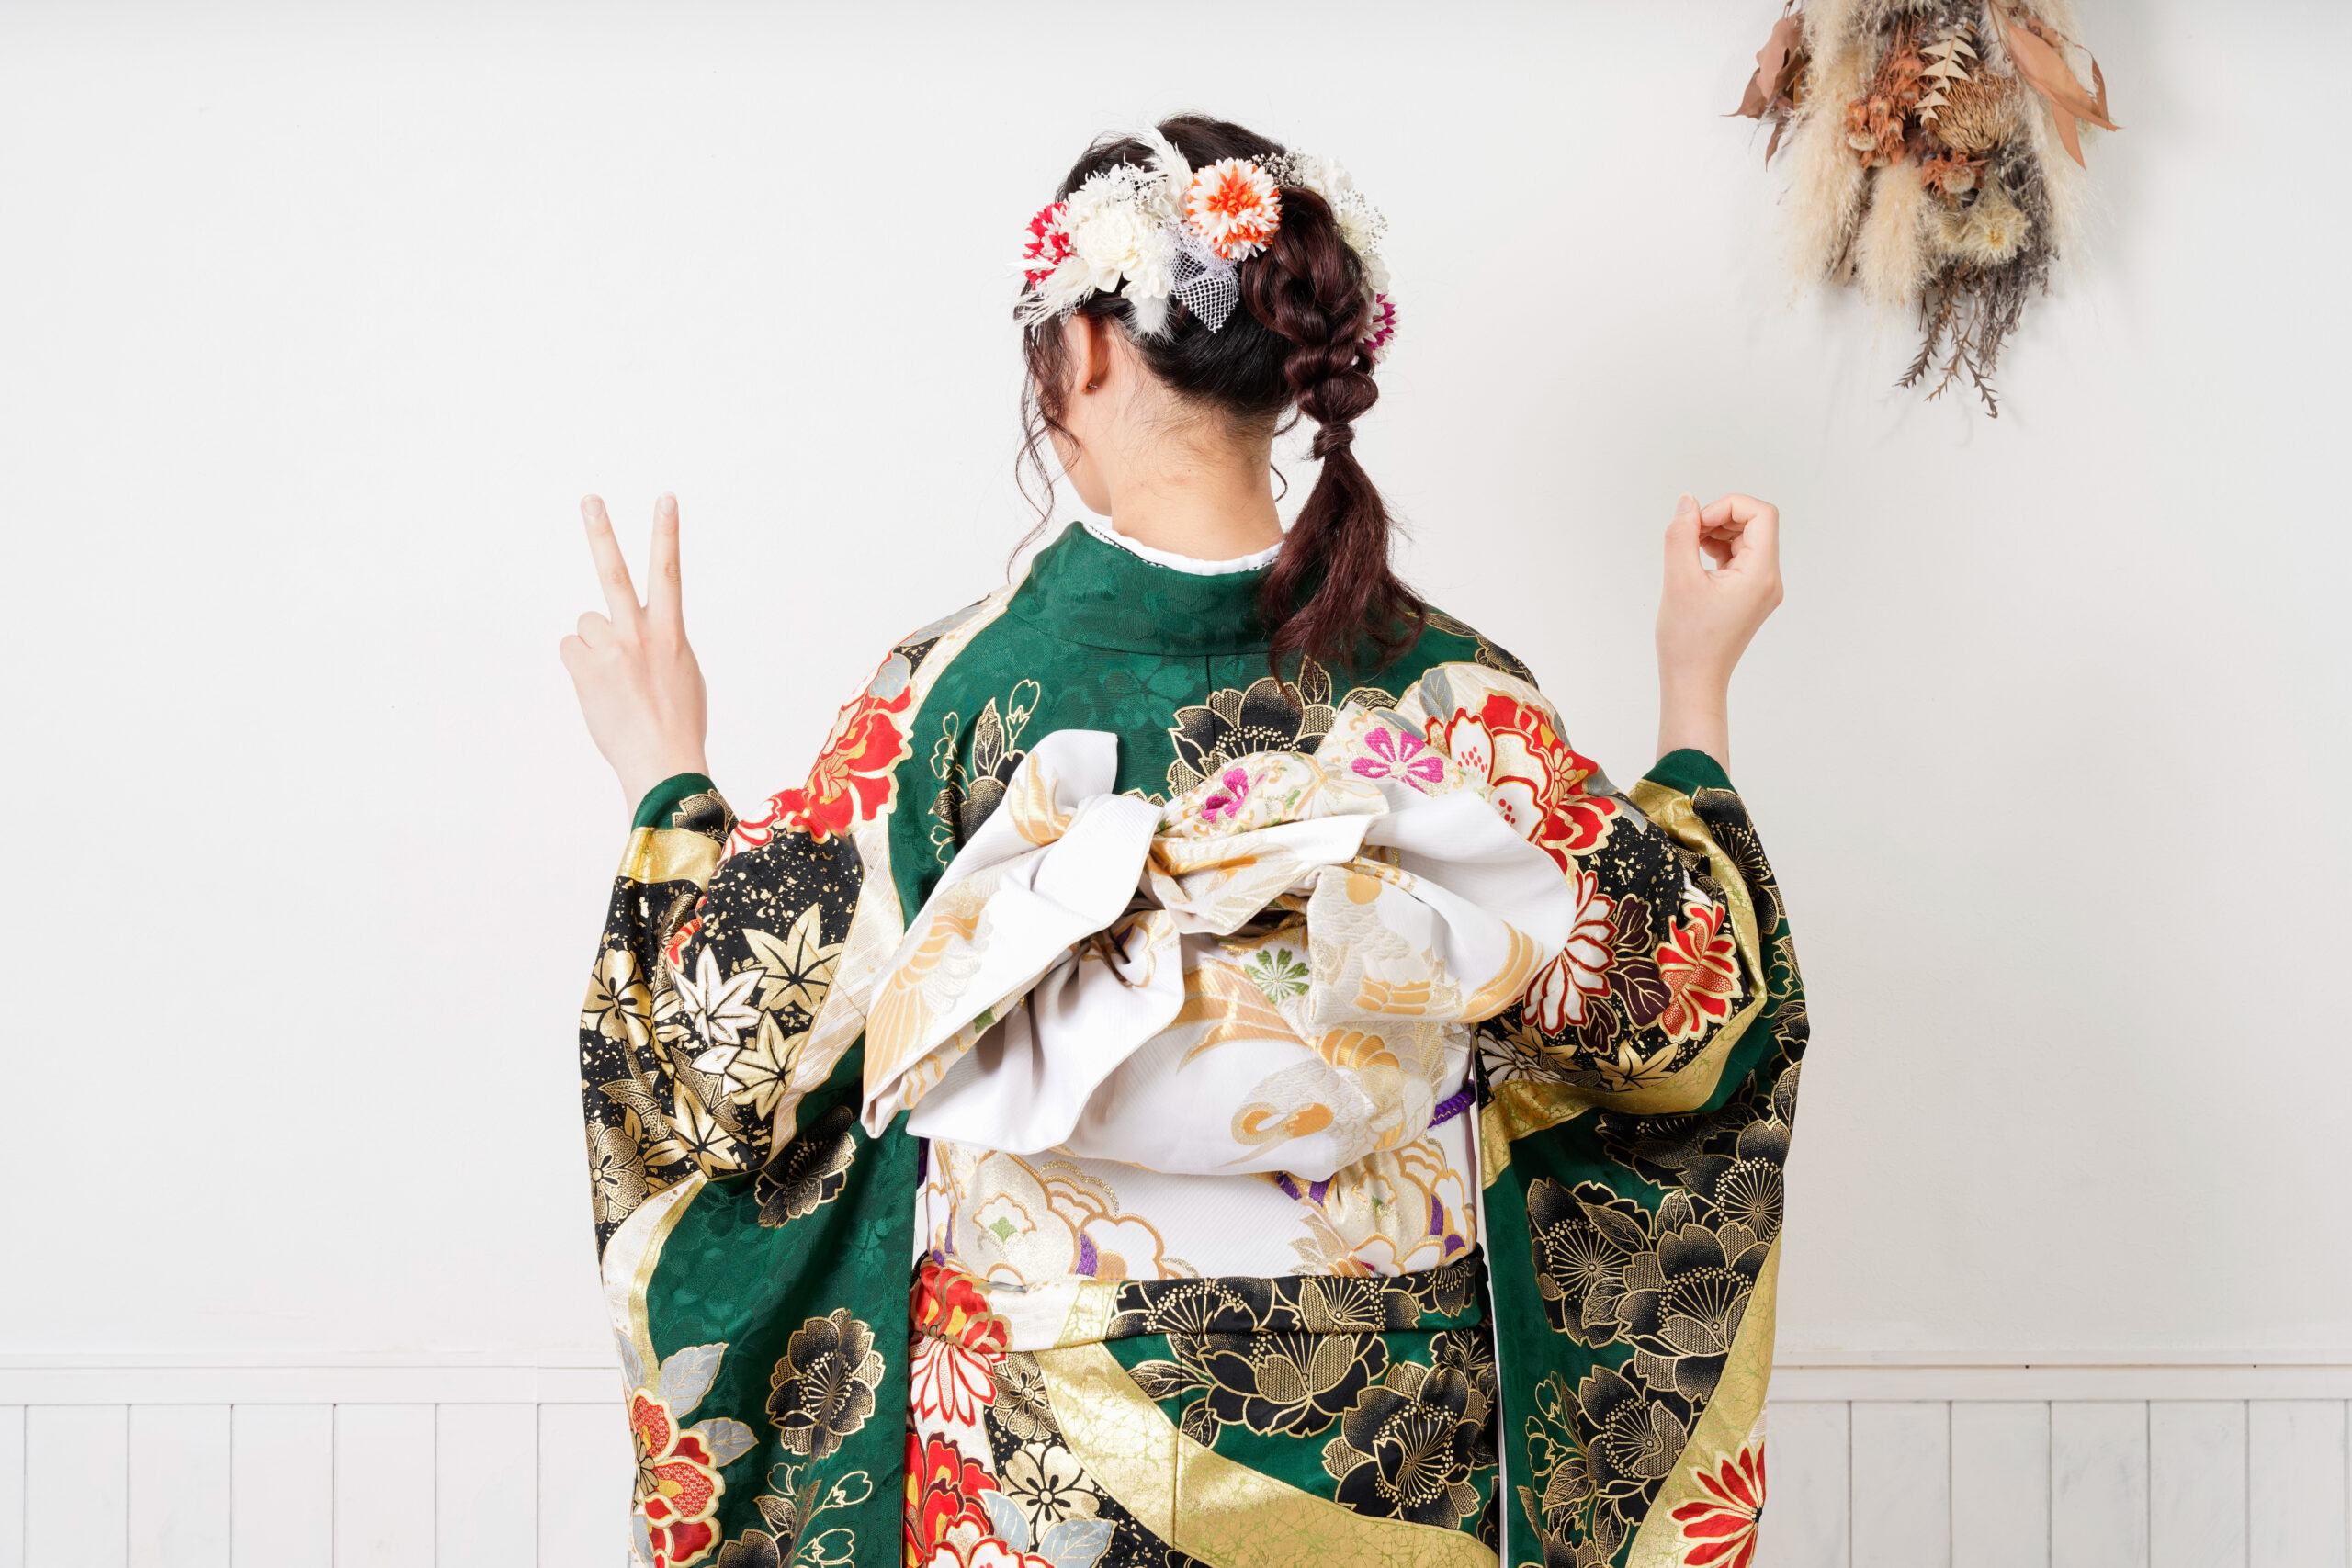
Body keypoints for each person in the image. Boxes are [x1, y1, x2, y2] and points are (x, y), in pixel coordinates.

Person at [561, 114, 1801, 1568]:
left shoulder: (949, 705)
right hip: (1392, 1445)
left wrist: (665, 770)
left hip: (1033, 1459)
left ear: (1085, 353)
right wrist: (1696, 685)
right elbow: (1684, 1014)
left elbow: (725, 1057)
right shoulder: (1457, 699)